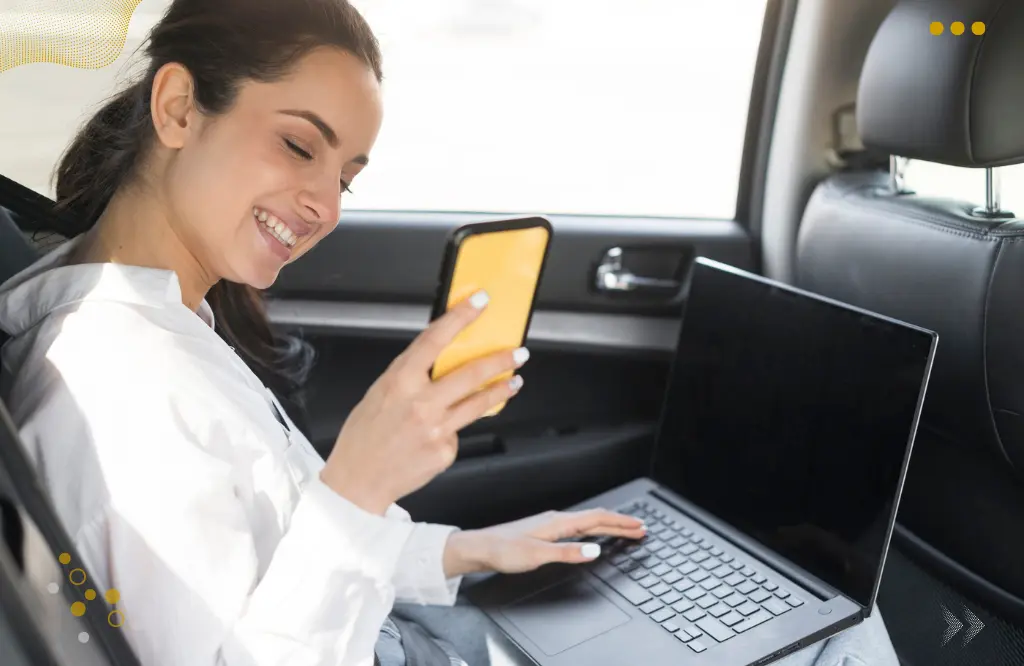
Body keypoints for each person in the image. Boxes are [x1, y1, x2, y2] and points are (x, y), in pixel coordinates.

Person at [0, 1, 900, 664]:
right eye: (299, 145)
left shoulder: (155, 318)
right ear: (177, 108)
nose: (324, 206)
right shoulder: (120, 390)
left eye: (347, 177)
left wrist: (467, 550)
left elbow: (276, 545)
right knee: (840, 634)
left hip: (399, 631)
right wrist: (359, 485)